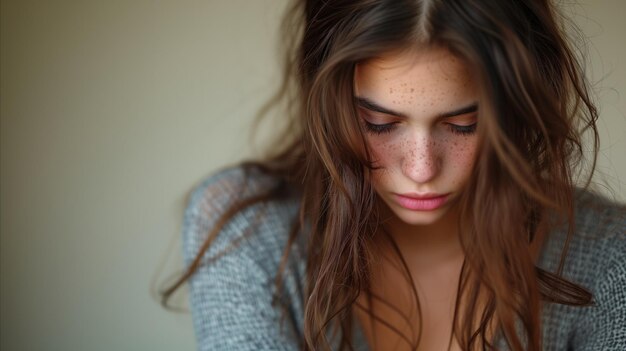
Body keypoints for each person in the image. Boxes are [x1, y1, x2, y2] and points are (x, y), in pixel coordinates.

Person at [161, 0, 626, 350]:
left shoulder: (607, 255)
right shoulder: (249, 232)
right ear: (330, 107)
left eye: (463, 124)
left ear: (517, 111)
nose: (421, 168)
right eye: (379, 125)